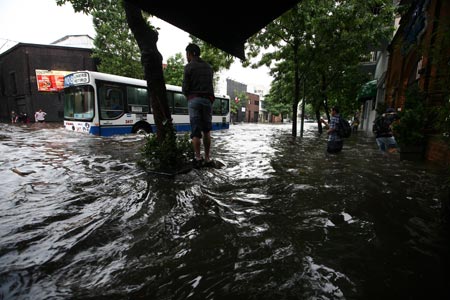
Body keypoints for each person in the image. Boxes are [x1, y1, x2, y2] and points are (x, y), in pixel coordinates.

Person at [182, 43, 215, 168]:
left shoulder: (189, 67)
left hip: (194, 100)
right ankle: (207, 158)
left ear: (190, 54)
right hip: (207, 100)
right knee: (207, 131)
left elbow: (185, 87)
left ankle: (198, 158)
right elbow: (211, 86)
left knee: (196, 131)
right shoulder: (209, 67)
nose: (186, 57)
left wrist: (189, 97)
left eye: (187, 54)